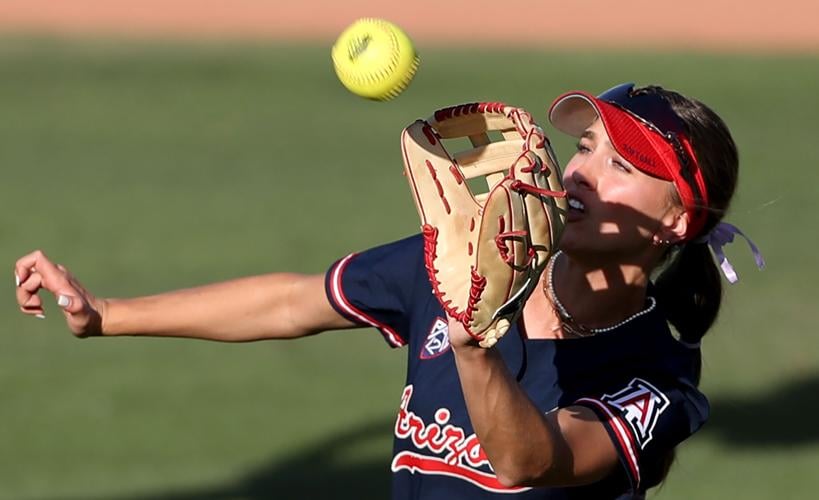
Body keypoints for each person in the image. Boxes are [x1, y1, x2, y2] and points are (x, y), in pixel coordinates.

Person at [14, 83, 763, 499]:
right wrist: (106, 314)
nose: (577, 171)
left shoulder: (655, 377)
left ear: (675, 221)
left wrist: (472, 343)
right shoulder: (463, 258)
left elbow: (530, 465)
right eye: (586, 147)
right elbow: (293, 301)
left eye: (622, 166)